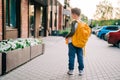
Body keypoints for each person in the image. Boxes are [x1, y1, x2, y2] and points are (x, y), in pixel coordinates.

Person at [65, 7, 90, 76]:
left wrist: (66, 36)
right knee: (80, 57)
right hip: (80, 43)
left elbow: (72, 32)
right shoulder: (83, 23)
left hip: (72, 42)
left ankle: (71, 70)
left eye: (72, 14)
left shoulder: (74, 22)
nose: (71, 15)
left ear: (75, 14)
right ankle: (81, 71)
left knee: (71, 56)